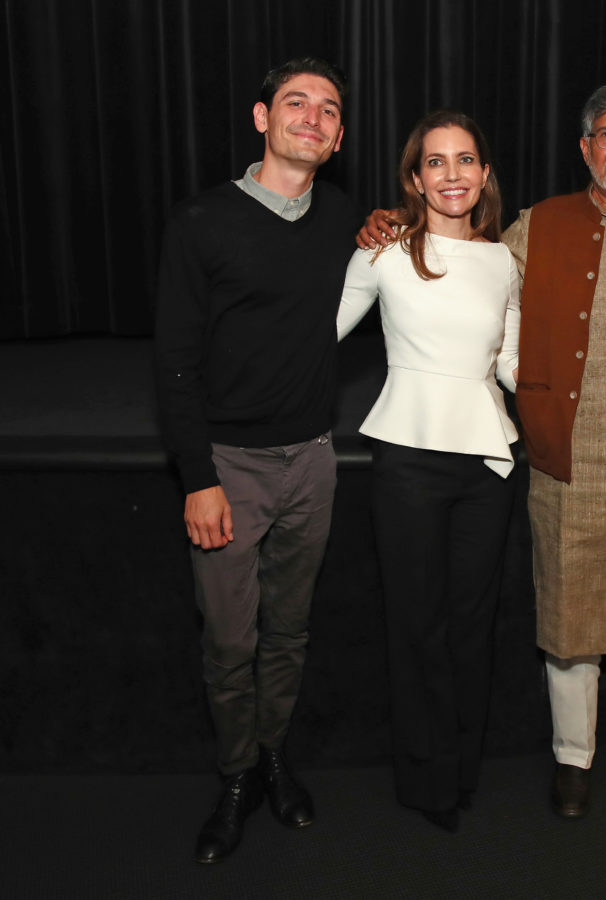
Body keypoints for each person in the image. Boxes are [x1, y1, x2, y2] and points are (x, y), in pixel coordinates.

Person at [359, 84, 606, 818]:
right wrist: (385, 225)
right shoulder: (535, 226)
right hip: (561, 454)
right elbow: (458, 257)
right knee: (570, 613)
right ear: (584, 148)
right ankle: (572, 758)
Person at [155, 57, 359, 862]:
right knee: (229, 639)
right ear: (261, 118)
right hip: (228, 467)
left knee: (290, 631)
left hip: (313, 459)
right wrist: (197, 476)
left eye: (330, 110)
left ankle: (275, 753)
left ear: (340, 137)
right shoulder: (201, 221)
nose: (313, 117)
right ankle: (236, 772)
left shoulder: (343, 214)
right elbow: (173, 361)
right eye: (297, 103)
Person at [337, 110, 520, 833]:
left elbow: (509, 361)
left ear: (483, 174)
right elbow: (317, 330)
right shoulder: (384, 251)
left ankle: (463, 767)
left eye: (465, 160)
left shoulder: (504, 260)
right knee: (417, 623)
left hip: (487, 461)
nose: (453, 174)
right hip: (408, 455)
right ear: (415, 178)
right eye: (436, 162)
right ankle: (426, 779)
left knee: (473, 624)